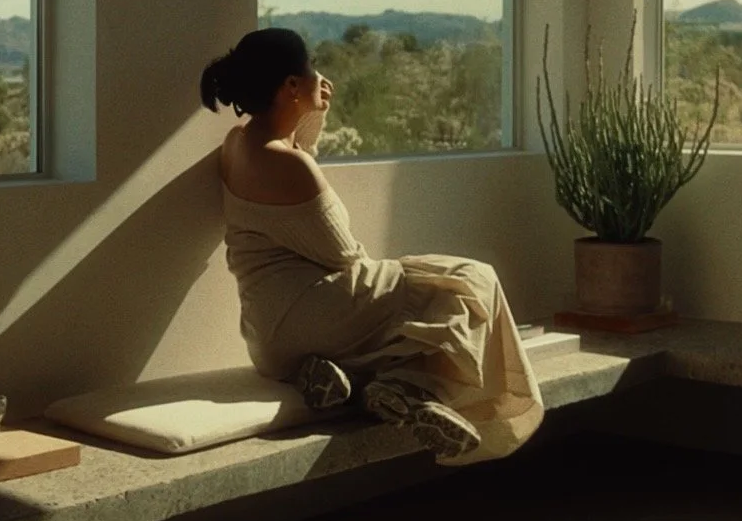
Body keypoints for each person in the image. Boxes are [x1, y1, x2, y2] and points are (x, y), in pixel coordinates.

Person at [199, 28, 544, 464]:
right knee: (470, 282)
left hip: (267, 337)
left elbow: (288, 185)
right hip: (310, 317)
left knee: (400, 313)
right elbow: (345, 256)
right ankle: (413, 388)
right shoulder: (289, 164)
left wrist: (310, 114)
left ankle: (342, 381)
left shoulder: (237, 143)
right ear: (291, 86)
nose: (320, 76)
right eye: (312, 68)